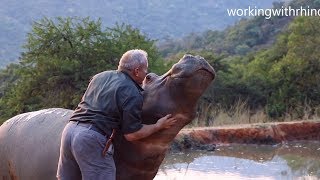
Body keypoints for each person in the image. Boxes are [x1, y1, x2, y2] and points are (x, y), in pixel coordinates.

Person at [56, 49, 177, 180]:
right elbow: (132, 134)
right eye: (145, 70)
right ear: (136, 71)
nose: (146, 73)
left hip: (69, 131)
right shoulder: (132, 92)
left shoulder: (99, 77)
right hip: (91, 138)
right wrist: (158, 126)